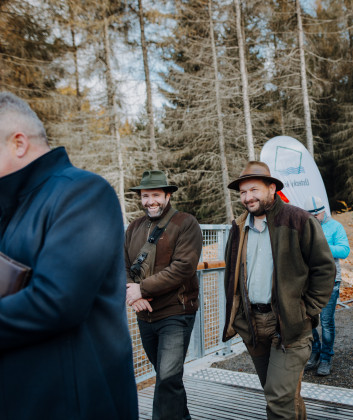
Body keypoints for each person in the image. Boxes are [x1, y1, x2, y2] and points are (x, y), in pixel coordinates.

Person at [0, 91, 138, 419]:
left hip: (74, 405)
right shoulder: (10, 210)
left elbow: (57, 301)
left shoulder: (82, 192)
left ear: (18, 144)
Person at [222, 161, 336, 419]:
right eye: (242, 192)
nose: (247, 197)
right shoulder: (238, 227)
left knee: (278, 399)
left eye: (254, 190)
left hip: (291, 325)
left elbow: (324, 268)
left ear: (272, 188)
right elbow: (233, 275)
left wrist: (305, 310)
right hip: (253, 324)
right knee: (281, 396)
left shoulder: (299, 220)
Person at [125, 170, 202, 420]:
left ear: (167, 195)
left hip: (176, 313)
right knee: (168, 379)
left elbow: (183, 267)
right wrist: (133, 294)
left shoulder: (186, 223)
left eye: (156, 195)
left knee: (167, 379)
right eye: (145, 196)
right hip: (145, 315)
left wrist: (142, 289)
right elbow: (122, 263)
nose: (150, 201)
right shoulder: (134, 227)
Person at [303, 196, 350, 376]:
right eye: (310, 215)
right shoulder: (305, 226)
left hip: (331, 280)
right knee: (309, 319)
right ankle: (314, 352)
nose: (314, 218)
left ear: (324, 211)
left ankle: (326, 358)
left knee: (326, 322)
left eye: (317, 215)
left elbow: (344, 250)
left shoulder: (335, 226)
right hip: (309, 281)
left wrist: (321, 245)